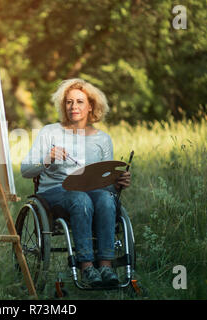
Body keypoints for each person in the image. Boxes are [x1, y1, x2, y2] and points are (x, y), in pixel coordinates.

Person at [20, 78, 131, 287]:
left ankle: (106, 266)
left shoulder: (102, 140)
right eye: (69, 102)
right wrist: (48, 159)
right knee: (81, 199)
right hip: (54, 192)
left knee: (107, 199)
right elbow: (25, 170)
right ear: (63, 106)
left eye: (80, 102)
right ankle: (87, 268)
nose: (74, 107)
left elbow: (104, 182)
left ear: (91, 106)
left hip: (92, 191)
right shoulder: (49, 132)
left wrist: (117, 183)